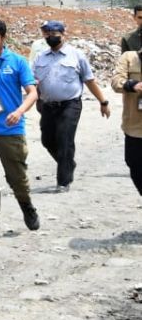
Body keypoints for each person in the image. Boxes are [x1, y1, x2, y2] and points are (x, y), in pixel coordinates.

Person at [0, 17, 40, 238]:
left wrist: (19, 111)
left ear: (3, 38)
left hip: (11, 130)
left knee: (17, 179)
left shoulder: (17, 62)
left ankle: (26, 205)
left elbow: (32, 92)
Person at [32, 20, 110, 193]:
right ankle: (68, 162)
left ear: (63, 34)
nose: (50, 37)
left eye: (54, 34)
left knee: (64, 139)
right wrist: (33, 100)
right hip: (47, 105)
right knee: (47, 140)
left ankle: (63, 181)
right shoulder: (40, 58)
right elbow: (32, 83)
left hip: (70, 105)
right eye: (47, 34)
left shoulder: (76, 55)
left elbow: (89, 80)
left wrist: (103, 102)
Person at [111, 47, 142, 195]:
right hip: (134, 127)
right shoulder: (129, 57)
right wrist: (132, 85)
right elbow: (116, 81)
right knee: (134, 165)